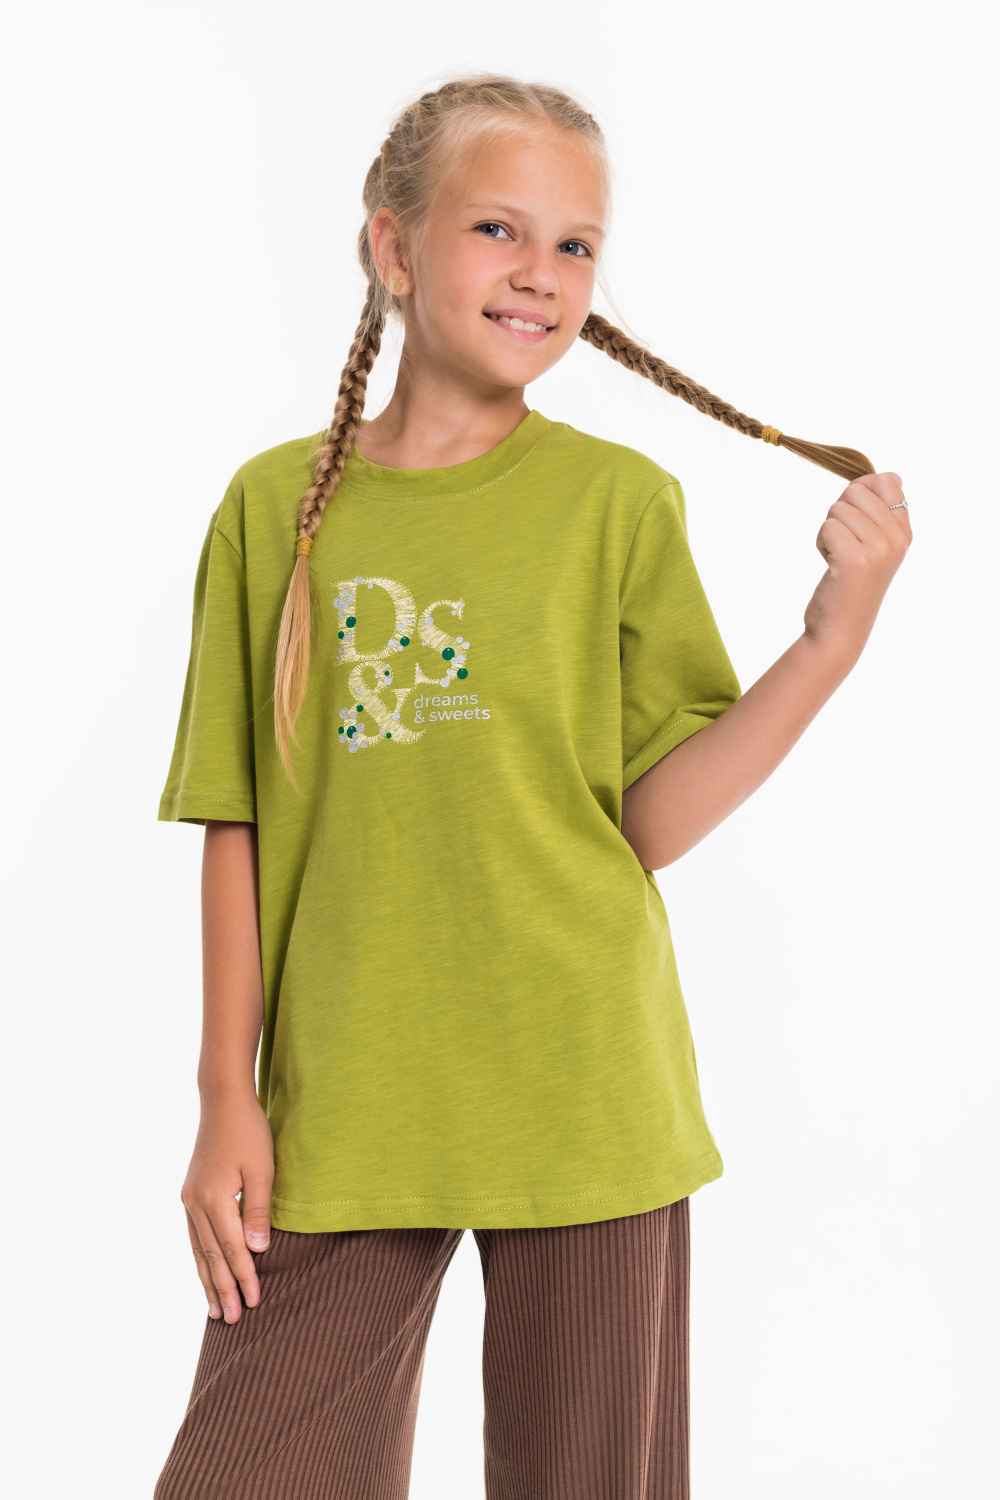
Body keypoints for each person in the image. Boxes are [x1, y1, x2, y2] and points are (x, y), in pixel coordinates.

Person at [152, 74, 910, 1500]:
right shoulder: (271, 509)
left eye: (576, 245)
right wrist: (222, 1095)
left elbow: (647, 823)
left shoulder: (618, 502)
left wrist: (828, 642)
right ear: (392, 246)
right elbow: (235, 819)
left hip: (586, 1098)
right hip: (345, 1108)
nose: (542, 273)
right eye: (498, 227)